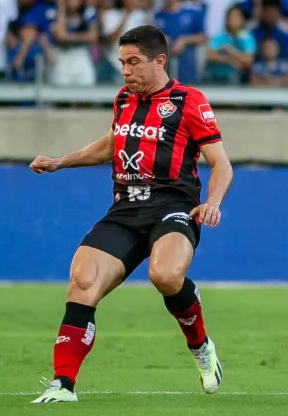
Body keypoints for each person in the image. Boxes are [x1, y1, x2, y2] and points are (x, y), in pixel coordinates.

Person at [28, 24, 233, 404]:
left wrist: (213, 203)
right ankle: (63, 385)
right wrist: (60, 162)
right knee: (82, 281)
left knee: (166, 275)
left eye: (133, 62)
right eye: (122, 62)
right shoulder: (123, 98)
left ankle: (201, 346)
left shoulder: (189, 101)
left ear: (160, 60)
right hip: (124, 209)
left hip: (173, 207)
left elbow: (221, 163)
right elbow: (111, 143)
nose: (125, 71)